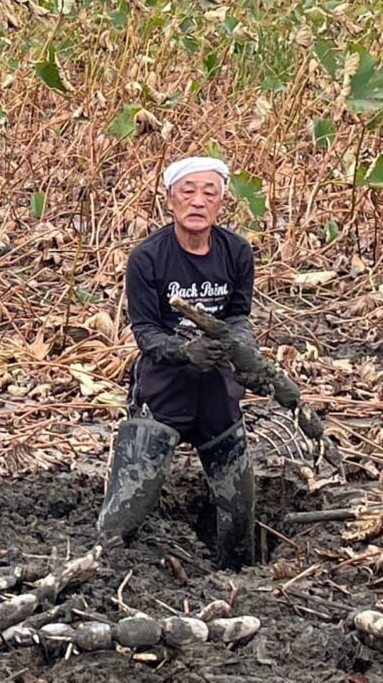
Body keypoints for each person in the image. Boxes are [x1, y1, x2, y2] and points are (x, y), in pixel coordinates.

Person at [96, 155, 263, 566]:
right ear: (170, 199)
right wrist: (184, 351)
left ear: (222, 202)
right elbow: (146, 332)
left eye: (209, 192)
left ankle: (238, 573)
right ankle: (104, 567)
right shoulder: (147, 258)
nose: (198, 201)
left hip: (218, 394)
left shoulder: (237, 252)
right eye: (188, 191)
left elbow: (238, 314)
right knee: (126, 510)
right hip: (163, 393)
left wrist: (242, 348)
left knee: (240, 508)